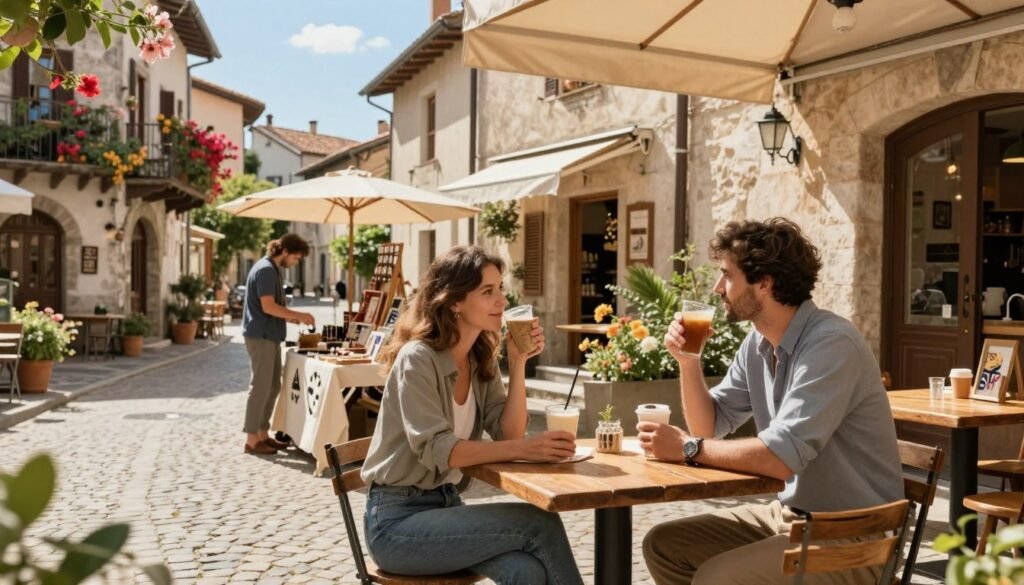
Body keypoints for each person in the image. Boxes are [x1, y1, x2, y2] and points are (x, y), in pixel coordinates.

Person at [640, 218, 903, 585]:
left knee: (717, 577)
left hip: (854, 535)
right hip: (790, 517)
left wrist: (686, 448)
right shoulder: (757, 343)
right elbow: (709, 427)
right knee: (664, 544)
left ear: (765, 283)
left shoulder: (831, 343)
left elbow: (779, 459)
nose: (718, 287)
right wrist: (688, 362)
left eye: (727, 276)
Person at [361, 246, 584, 585]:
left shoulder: (481, 357)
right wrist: (527, 449)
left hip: (448, 508)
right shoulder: (416, 359)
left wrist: (519, 362)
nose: (502, 301)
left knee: (526, 570)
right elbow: (441, 449)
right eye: (487, 291)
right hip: (396, 523)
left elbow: (508, 433)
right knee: (538, 522)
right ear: (455, 302)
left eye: (501, 290)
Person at [242, 234, 316, 455]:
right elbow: (268, 307)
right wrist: (299, 315)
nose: (296, 262)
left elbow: (273, 308)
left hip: (270, 335)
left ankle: (263, 433)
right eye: (296, 257)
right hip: (261, 336)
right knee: (260, 387)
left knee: (272, 386)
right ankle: (251, 439)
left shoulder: (272, 269)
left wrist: (291, 317)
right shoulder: (265, 270)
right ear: (284, 252)